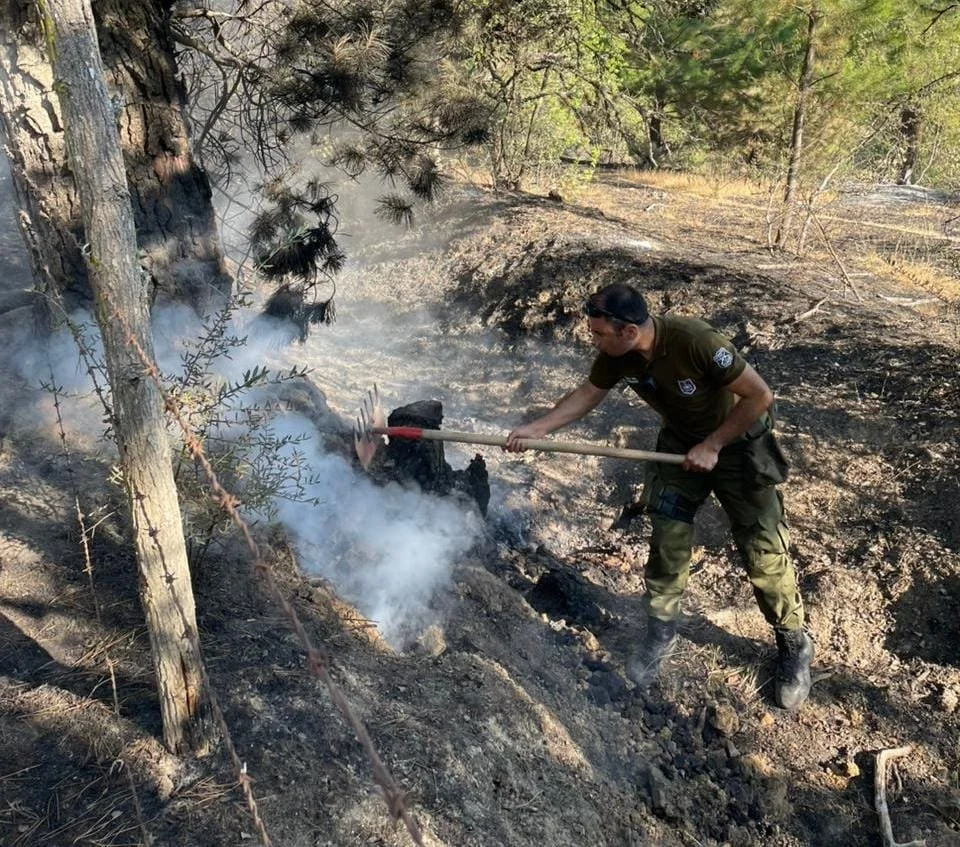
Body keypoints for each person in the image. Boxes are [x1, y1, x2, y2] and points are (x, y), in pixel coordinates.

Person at [505, 282, 813, 710]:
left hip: (739, 446)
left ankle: (792, 641)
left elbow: (760, 395)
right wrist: (538, 428)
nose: (593, 341)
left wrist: (714, 445)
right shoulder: (619, 354)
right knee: (667, 539)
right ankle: (661, 631)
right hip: (679, 449)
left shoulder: (696, 342)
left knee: (761, 548)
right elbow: (588, 394)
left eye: (598, 334)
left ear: (629, 331)